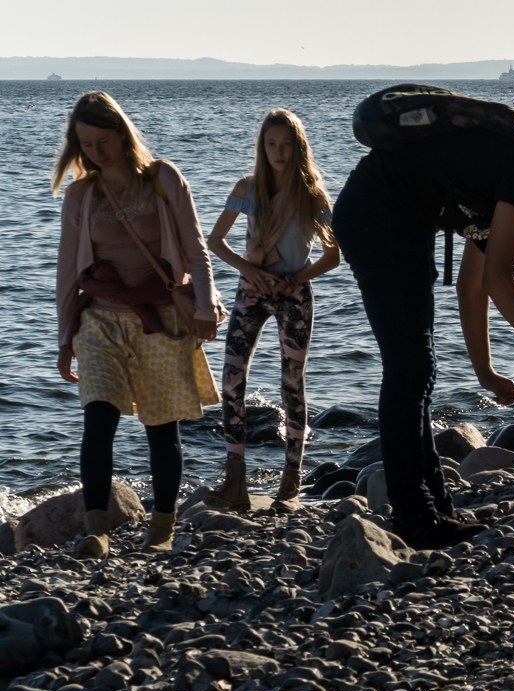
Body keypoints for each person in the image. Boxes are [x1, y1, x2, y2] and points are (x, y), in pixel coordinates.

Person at [331, 99, 514, 550]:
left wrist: (484, 371)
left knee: (418, 371)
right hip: (379, 220)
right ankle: (414, 517)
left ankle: (435, 506)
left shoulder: (509, 177)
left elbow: (472, 287)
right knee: (409, 370)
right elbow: (499, 278)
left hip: (393, 223)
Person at [52, 91, 224, 557]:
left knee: (161, 429)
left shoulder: (163, 178)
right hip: (101, 322)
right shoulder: (80, 195)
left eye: (103, 141)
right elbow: (69, 272)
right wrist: (65, 337)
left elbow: (195, 251)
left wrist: (207, 305)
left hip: (162, 319)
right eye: (86, 145)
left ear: (123, 136)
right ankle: (96, 530)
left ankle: (162, 529)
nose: (95, 153)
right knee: (98, 420)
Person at [204, 109, 340, 514]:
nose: (278, 151)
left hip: (294, 296)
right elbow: (216, 241)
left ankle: (291, 481)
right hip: (251, 291)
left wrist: (298, 277)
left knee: (292, 384)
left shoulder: (313, 196)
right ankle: (235, 479)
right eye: (271, 144)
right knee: (231, 380)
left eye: (286, 144)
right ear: (262, 147)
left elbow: (334, 254)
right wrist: (249, 270)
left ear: (298, 147)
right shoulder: (247, 188)